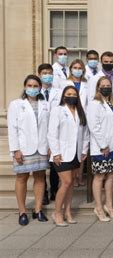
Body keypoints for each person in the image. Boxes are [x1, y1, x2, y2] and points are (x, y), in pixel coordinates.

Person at [8, 75, 50, 226]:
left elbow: (49, 127)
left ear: (40, 87)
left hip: (42, 147)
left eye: (35, 86)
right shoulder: (16, 104)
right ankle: (22, 211)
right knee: (22, 178)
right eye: (30, 85)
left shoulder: (45, 104)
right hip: (24, 148)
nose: (32, 88)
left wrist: (50, 146)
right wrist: (15, 150)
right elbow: (12, 128)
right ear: (25, 87)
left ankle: (38, 209)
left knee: (40, 177)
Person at [48, 86, 89, 226]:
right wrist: (56, 153)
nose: (71, 96)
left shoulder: (80, 112)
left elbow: (85, 134)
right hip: (62, 154)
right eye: (68, 94)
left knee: (71, 183)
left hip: (76, 154)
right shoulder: (57, 110)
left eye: (74, 94)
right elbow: (52, 133)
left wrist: (84, 150)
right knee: (65, 182)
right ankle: (57, 213)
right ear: (63, 96)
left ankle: (68, 211)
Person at [87, 76, 113, 222]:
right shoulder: (94, 104)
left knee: (112, 175)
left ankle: (109, 205)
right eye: (103, 85)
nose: (106, 87)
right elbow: (94, 126)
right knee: (100, 176)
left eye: (108, 85)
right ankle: (99, 207)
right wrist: (103, 146)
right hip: (101, 148)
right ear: (98, 87)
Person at [61, 59, 89, 187]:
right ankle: (72, 177)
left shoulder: (87, 83)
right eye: (75, 67)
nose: (77, 70)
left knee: (82, 147)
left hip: (83, 116)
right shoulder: (64, 83)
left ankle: (79, 176)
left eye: (80, 68)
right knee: (72, 145)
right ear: (71, 69)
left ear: (83, 70)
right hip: (69, 115)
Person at [38, 64, 61, 204]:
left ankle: (54, 190)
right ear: (39, 74)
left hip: (55, 132)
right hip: (40, 133)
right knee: (41, 167)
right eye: (45, 73)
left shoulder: (59, 92)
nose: (48, 75)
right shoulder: (34, 91)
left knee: (54, 165)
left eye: (50, 73)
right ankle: (44, 192)